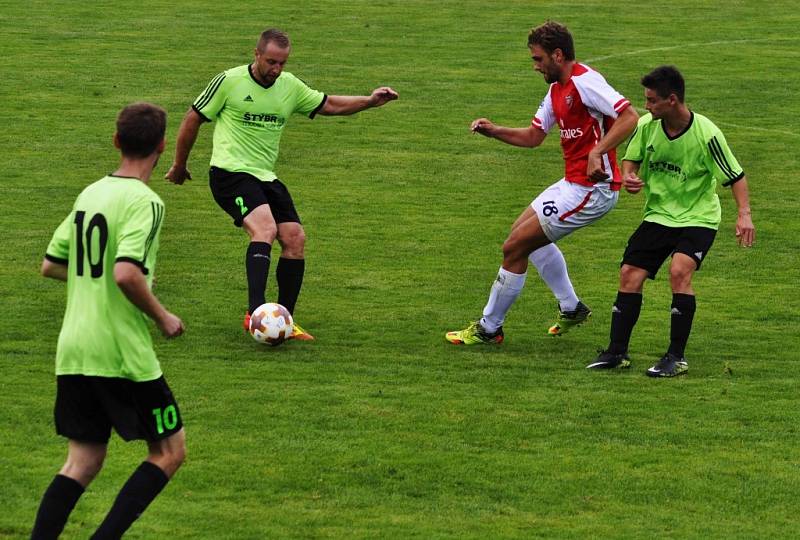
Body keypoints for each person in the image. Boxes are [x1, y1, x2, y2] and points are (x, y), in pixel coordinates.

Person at [165, 28, 398, 340]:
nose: (276, 69)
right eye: (271, 62)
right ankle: (256, 314)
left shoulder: (289, 86)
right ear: (257, 54)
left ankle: (284, 321)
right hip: (229, 173)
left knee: (295, 239)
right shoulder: (229, 81)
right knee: (265, 229)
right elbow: (192, 118)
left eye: (282, 64)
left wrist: (369, 101)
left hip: (265, 176)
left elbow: (329, 104)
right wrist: (180, 164)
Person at [32, 103, 186, 538]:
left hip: (75, 348)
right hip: (121, 352)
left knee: (82, 462)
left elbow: (51, 264)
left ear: (116, 141)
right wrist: (162, 316)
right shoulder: (146, 202)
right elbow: (125, 274)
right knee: (169, 451)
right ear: (161, 146)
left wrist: (91, 276)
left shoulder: (91, 193)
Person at [446, 21, 638, 345]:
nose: (535, 67)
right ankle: (572, 307)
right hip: (571, 183)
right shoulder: (555, 90)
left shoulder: (585, 83)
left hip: (594, 191)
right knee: (520, 233)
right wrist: (494, 130)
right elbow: (534, 136)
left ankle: (489, 328)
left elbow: (630, 116)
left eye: (538, 59)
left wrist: (598, 152)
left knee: (515, 247)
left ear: (558, 55)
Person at [586, 65, 755, 376]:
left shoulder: (707, 134)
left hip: (698, 217)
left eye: (651, 101)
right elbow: (631, 160)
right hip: (659, 215)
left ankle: (675, 357)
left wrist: (744, 215)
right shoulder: (648, 126)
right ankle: (616, 352)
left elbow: (736, 177)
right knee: (629, 274)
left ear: (672, 100)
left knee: (679, 272)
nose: (646, 106)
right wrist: (631, 177)